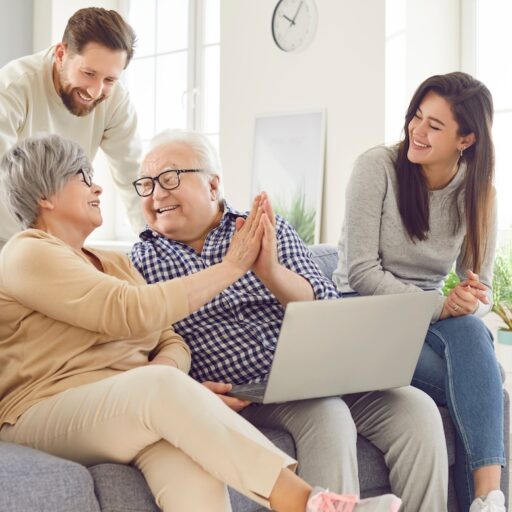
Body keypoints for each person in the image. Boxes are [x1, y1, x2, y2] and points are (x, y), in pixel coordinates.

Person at [0, 134, 403, 512]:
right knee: (157, 391)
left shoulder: (114, 262)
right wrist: (232, 267)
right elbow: (127, 309)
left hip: (126, 406)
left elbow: (170, 337)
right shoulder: (26, 253)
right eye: (84, 177)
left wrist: (163, 371)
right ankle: (308, 503)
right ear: (44, 196)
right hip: (42, 411)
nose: (98, 187)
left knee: (191, 467)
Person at [130, 128, 449, 512]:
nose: (156, 194)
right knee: (327, 414)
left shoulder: (267, 228)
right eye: (146, 185)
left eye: (169, 179)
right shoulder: (140, 261)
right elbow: (143, 350)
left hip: (319, 372)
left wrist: (272, 273)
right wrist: (188, 391)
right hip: (246, 391)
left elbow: (326, 306)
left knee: (417, 409)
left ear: (212, 185)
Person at [333, 72, 505, 512]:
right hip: (364, 310)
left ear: (465, 139)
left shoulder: (478, 191)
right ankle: (490, 498)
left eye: (435, 125)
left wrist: (468, 297)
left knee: (470, 335)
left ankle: (489, 498)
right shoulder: (377, 168)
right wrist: (441, 305)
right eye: (417, 116)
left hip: (432, 319)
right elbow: (360, 273)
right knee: (480, 385)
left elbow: (476, 282)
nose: (417, 130)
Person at [0, 7, 144, 251]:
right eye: (88, 73)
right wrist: (35, 242)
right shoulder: (13, 87)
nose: (95, 91)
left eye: (109, 80)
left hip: (58, 242)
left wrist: (156, 242)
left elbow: (134, 178)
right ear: (61, 53)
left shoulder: (116, 102)